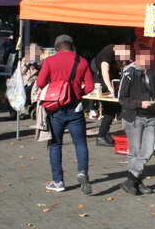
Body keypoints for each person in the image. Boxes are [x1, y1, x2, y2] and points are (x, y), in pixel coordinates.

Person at [36, 34, 94, 195]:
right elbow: (89, 87)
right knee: (80, 143)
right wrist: (76, 91)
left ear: (56, 48)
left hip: (56, 108)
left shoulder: (49, 61)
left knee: (55, 144)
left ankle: (58, 181)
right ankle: (82, 172)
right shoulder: (82, 61)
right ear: (72, 46)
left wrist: (55, 88)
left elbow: (40, 83)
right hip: (76, 107)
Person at [117, 44, 155, 195]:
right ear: (138, 57)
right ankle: (137, 182)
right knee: (135, 152)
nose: (149, 59)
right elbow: (121, 98)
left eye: (150, 56)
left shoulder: (151, 73)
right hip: (134, 116)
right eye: (146, 56)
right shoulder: (129, 73)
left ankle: (130, 181)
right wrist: (139, 104)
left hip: (150, 115)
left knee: (148, 150)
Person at [92, 43, 132, 147]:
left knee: (112, 109)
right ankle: (101, 136)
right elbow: (105, 70)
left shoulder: (115, 51)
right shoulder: (107, 54)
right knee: (110, 109)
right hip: (103, 82)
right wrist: (110, 87)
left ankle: (104, 133)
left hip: (110, 81)